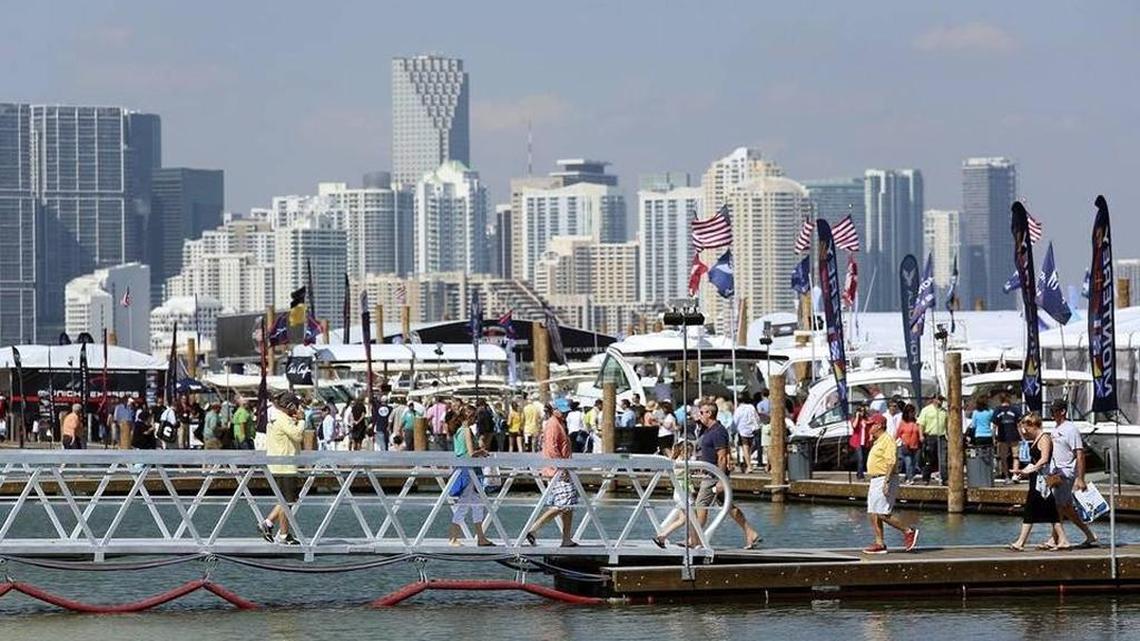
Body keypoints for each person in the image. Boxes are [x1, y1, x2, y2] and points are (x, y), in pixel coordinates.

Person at [690, 401, 761, 548]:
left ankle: (694, 540)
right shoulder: (708, 430)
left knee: (700, 505)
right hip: (711, 474)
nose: (699, 415)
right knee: (728, 506)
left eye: (702, 412)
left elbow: (722, 456)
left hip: (714, 476)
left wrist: (721, 479)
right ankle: (751, 533)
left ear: (709, 413)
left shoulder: (718, 431)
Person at [1007, 412, 1068, 551]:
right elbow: (1035, 460)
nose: (1025, 432)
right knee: (1048, 510)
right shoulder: (1035, 439)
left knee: (1034, 509)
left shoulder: (1044, 438)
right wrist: (1023, 472)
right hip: (1037, 478)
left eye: (1026, 429)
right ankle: (1062, 540)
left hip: (1043, 480)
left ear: (1033, 425)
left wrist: (1030, 470)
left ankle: (1021, 542)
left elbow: (1044, 459)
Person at [523, 400, 578, 547]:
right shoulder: (553, 424)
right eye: (562, 410)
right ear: (554, 410)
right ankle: (534, 529)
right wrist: (563, 468)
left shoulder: (559, 423)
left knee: (568, 505)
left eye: (566, 410)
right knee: (563, 504)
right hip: (557, 470)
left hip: (560, 468)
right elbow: (553, 449)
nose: (565, 413)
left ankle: (566, 539)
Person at [862, 414, 919, 554]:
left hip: (884, 478)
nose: (869, 427)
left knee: (882, 513)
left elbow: (891, 462)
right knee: (873, 513)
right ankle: (879, 543)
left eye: (871, 424)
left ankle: (908, 530)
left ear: (879, 425)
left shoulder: (887, 440)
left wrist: (886, 481)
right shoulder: (878, 441)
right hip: (875, 479)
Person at [1047, 398, 1099, 548]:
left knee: (1058, 506)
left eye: (1054, 411)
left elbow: (1080, 454)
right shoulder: (1055, 429)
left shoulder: (1071, 429)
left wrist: (1080, 478)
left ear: (1062, 411)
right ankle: (1087, 535)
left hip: (1067, 473)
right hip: (1055, 473)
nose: (1051, 413)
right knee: (1064, 507)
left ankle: (1060, 539)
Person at [257, 392, 304, 545]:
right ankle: (276, 529)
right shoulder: (283, 420)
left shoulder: (277, 418)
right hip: (285, 466)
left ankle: (276, 529)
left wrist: (295, 420)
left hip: (278, 465)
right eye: (296, 405)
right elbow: (298, 436)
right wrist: (302, 421)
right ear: (290, 406)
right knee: (287, 501)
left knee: (286, 500)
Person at [448, 406, 494, 546]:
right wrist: (482, 452)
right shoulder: (467, 431)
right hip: (469, 471)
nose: (475, 420)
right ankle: (453, 538)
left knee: (477, 504)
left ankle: (480, 537)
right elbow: (470, 453)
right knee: (464, 505)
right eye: (473, 417)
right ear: (467, 418)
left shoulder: (457, 431)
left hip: (463, 469)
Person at [918, 394, 948, 485]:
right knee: (929, 459)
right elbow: (921, 424)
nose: (940, 401)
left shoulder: (944, 412)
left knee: (943, 458)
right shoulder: (926, 410)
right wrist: (921, 435)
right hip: (930, 436)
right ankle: (926, 478)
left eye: (941, 400)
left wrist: (948, 436)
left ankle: (945, 478)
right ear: (934, 399)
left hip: (942, 436)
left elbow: (947, 425)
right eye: (939, 399)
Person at [994, 395, 1023, 480]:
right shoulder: (1015, 409)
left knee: (1003, 458)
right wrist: (1022, 435)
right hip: (1014, 435)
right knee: (1016, 456)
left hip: (1002, 436)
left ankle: (1006, 476)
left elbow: (994, 426)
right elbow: (1019, 425)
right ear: (1009, 399)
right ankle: (1015, 474)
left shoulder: (997, 410)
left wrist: (993, 437)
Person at [733, 394, 761, 474]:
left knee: (745, 447)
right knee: (750, 447)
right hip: (752, 429)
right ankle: (747, 462)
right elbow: (756, 417)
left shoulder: (738, 409)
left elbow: (735, 421)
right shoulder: (751, 407)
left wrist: (733, 431)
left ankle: (748, 465)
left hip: (742, 430)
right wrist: (757, 425)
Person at [896, 404, 922, 484]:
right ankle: (910, 479)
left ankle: (909, 476)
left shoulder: (916, 422)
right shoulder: (903, 423)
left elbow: (919, 432)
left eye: (913, 412)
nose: (912, 414)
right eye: (910, 412)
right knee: (908, 462)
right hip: (906, 446)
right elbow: (898, 434)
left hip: (915, 445)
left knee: (914, 463)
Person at [849, 404, 871, 479]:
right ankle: (860, 475)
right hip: (857, 442)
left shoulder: (866, 419)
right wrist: (858, 417)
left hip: (864, 441)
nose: (862, 412)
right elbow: (854, 426)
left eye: (863, 411)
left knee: (864, 459)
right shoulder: (855, 419)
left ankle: (859, 472)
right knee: (860, 459)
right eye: (860, 411)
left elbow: (869, 429)